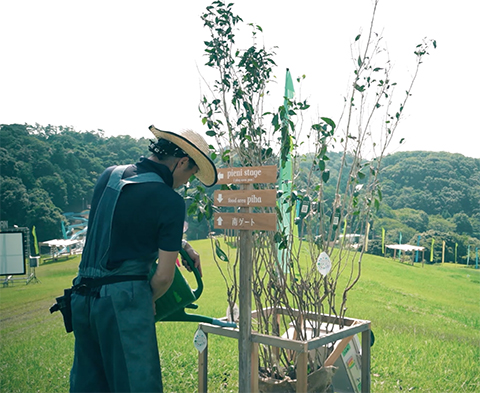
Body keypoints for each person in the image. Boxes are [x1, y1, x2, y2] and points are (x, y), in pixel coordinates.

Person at [69, 125, 217, 393]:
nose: (186, 182)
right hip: (124, 303)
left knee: (89, 385)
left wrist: (180, 243)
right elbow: (163, 276)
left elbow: (120, 225)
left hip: (82, 300)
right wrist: (147, 300)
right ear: (182, 161)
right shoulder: (170, 201)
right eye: (190, 174)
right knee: (137, 385)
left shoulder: (109, 175)